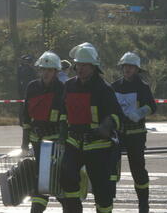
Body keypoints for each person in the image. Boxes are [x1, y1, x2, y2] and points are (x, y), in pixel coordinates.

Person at [60, 43, 122, 213]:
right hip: (74, 143)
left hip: (98, 146)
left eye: (84, 65)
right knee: (67, 178)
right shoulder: (69, 86)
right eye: (78, 65)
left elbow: (116, 115)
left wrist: (106, 125)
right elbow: (64, 111)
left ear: (94, 67)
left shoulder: (104, 89)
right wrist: (61, 134)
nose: (80, 69)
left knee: (102, 190)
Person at [20, 51, 65, 213]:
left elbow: (66, 117)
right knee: (41, 179)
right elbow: (25, 116)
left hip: (55, 143)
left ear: (56, 72)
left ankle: (69, 207)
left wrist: (62, 140)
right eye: (43, 69)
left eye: (50, 70)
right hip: (37, 141)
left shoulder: (62, 89)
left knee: (57, 178)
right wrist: (24, 144)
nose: (46, 73)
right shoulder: (32, 87)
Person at [111, 52, 156, 213]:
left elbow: (152, 106)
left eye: (130, 67)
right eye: (125, 66)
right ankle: (107, 200)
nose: (127, 69)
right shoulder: (115, 86)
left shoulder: (142, 87)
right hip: (117, 134)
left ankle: (143, 204)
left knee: (138, 169)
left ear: (137, 69)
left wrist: (140, 112)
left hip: (136, 134)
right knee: (109, 168)